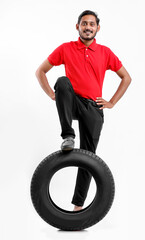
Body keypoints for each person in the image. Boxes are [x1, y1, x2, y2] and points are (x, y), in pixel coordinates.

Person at [35, 10, 131, 212]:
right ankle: (68, 136)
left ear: (97, 28)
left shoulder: (105, 52)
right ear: (77, 26)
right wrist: (52, 95)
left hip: (94, 107)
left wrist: (112, 102)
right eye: (84, 23)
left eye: (92, 24)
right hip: (73, 102)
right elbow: (41, 71)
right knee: (62, 81)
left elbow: (126, 77)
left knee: (88, 157)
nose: (88, 27)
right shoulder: (66, 48)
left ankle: (78, 208)